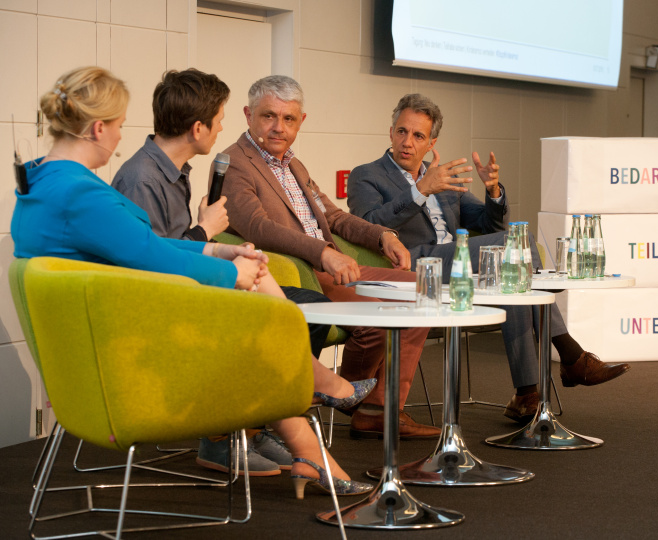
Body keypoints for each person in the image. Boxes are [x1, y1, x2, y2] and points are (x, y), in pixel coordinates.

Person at [11, 66, 371, 496]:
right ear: (98, 128)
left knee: (256, 289)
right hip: (127, 347)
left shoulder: (46, 182)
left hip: (105, 333)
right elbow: (148, 255)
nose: (122, 138)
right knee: (260, 326)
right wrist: (227, 270)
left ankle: (311, 441)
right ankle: (313, 408)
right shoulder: (77, 193)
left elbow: (145, 246)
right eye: (121, 127)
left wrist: (216, 251)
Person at [110, 68, 364, 475]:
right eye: (220, 118)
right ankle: (228, 435)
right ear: (198, 128)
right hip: (167, 307)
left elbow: (169, 248)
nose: (223, 127)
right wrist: (205, 232)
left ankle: (262, 424)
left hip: (192, 286)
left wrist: (220, 249)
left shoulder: (171, 173)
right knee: (288, 313)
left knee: (308, 308)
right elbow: (150, 267)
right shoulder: (143, 178)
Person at [347, 93, 630, 422]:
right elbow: (368, 225)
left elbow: (489, 224)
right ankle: (569, 354)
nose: (407, 141)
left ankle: (527, 395)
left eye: (418, 135)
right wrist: (420, 190)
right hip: (418, 268)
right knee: (516, 248)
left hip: (460, 266)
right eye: (401, 131)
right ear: (391, 131)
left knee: (514, 276)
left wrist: (493, 190)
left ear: (431, 142)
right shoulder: (366, 175)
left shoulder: (444, 177)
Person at [219, 75, 438, 440]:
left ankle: (375, 406)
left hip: (332, 265)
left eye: (289, 119)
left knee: (421, 289)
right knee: (404, 301)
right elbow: (256, 227)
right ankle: (358, 401)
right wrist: (322, 253)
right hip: (301, 272)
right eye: (269, 116)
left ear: (301, 121)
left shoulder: (293, 165)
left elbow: (333, 216)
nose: (279, 127)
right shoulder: (235, 162)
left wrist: (382, 235)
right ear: (248, 115)